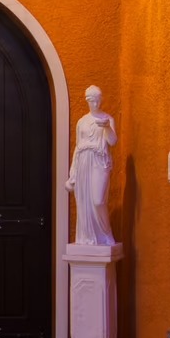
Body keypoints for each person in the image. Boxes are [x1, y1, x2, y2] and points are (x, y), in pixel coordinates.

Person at [67, 84, 117, 246]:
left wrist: (107, 128)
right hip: (83, 162)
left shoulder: (107, 119)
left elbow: (112, 141)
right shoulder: (82, 122)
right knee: (83, 202)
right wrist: (72, 174)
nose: (95, 104)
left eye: (97, 100)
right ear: (87, 101)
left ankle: (106, 233)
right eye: (91, 100)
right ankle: (87, 237)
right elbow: (77, 148)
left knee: (98, 200)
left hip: (100, 161)